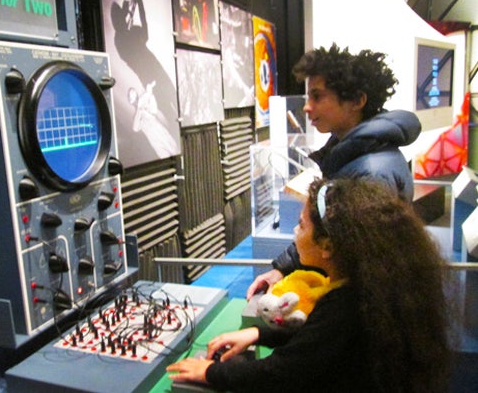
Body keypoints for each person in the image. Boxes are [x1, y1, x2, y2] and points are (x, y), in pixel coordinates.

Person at [167, 178, 452, 392]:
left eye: (302, 225)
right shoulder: (366, 289)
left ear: (327, 245)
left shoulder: (343, 306)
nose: (295, 231)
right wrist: (258, 333)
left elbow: (282, 371)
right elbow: (318, 340)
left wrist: (210, 372)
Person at [246, 43, 422, 299]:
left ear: (357, 101)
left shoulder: (371, 173)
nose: (307, 107)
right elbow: (327, 232)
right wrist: (282, 269)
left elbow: (364, 270)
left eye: (317, 97)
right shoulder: (352, 155)